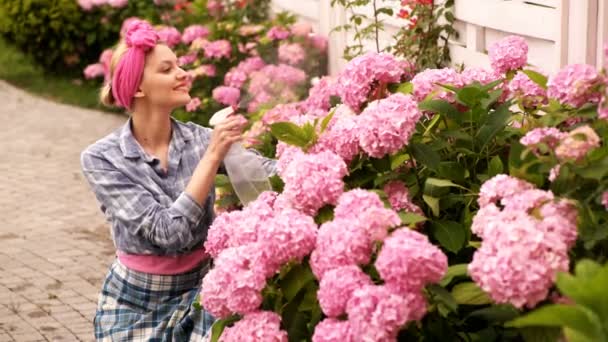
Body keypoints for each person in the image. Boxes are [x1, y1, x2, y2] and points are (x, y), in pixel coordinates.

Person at [80, 19, 275, 341]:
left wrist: (316, 157)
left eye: (180, 65)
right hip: (135, 304)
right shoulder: (103, 159)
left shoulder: (200, 140)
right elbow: (168, 233)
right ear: (138, 88)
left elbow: (263, 171)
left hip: (203, 290)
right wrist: (213, 157)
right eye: (167, 69)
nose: (184, 73)